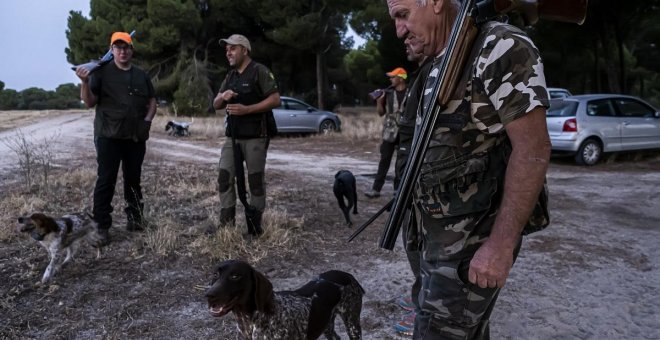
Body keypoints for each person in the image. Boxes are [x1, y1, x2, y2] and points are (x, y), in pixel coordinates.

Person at [386, 0, 551, 339]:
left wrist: (500, 247)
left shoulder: (499, 47)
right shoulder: (438, 62)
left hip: (469, 249)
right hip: (431, 243)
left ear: (435, 2)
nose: (399, 30)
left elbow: (533, 150)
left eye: (403, 15)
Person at [76, 31, 157, 246]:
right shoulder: (101, 73)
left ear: (132, 50)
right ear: (112, 50)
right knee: (106, 181)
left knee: (133, 179)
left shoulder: (141, 75)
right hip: (108, 136)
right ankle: (101, 227)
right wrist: (84, 82)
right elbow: (89, 102)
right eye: (118, 47)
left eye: (126, 47)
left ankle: (136, 219)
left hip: (134, 137)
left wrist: (147, 121)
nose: (123, 50)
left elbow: (151, 101)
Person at [209, 34, 280, 238]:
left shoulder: (260, 71)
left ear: (244, 50)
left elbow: (275, 99)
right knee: (224, 177)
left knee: (255, 181)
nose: (228, 53)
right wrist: (223, 97)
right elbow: (215, 104)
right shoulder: (230, 76)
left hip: (256, 136)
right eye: (226, 50)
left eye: (232, 48)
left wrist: (247, 109)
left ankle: (254, 227)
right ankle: (226, 227)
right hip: (233, 138)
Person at [393, 45, 433, 337]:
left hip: (430, 185)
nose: (401, 31)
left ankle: (425, 309)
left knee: (428, 250)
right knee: (412, 243)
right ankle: (421, 298)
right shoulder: (423, 75)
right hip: (408, 181)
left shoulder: (441, 71)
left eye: (405, 15)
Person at [365, 67, 408, 198]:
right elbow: (380, 113)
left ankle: (398, 191)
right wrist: (379, 101)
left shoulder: (412, 92)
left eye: (393, 77)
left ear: (401, 78)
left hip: (406, 133)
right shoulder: (387, 93)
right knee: (384, 161)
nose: (390, 79)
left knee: (401, 163)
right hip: (389, 133)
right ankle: (376, 189)